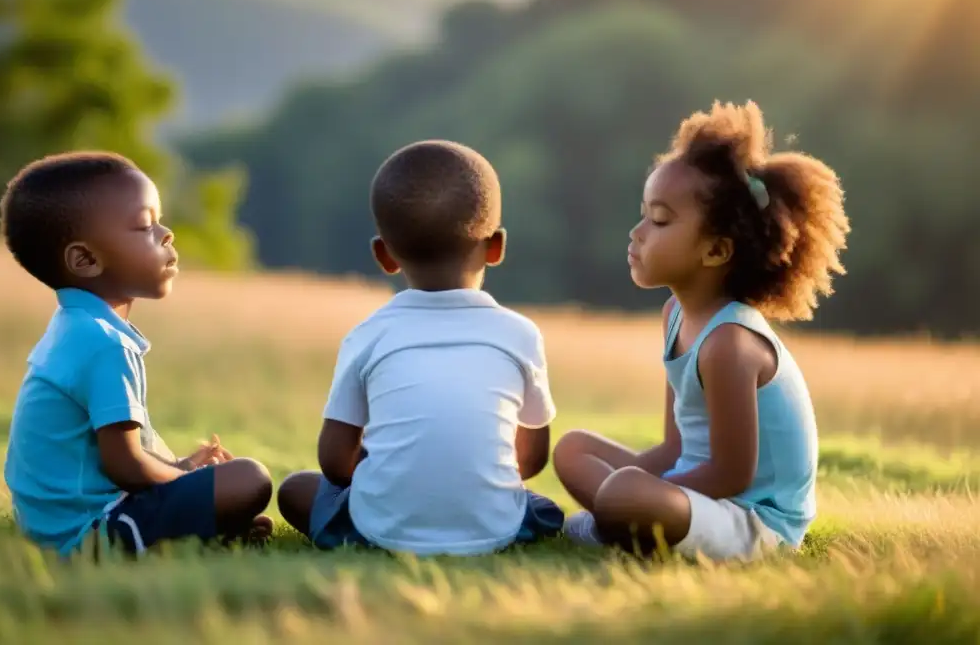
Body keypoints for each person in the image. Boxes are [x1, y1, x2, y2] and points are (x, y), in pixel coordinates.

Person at [554, 101, 850, 562]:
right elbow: (677, 446)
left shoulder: (729, 344)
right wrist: (631, 486)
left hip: (751, 521)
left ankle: (622, 520)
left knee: (625, 490)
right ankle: (625, 519)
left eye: (660, 220)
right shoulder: (676, 313)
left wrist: (637, 490)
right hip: (697, 494)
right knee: (573, 450)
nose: (636, 233)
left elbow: (732, 475)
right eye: (643, 215)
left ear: (715, 251)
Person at [276, 140, 564, 555]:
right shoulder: (520, 333)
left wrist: (392, 477)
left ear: (384, 255)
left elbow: (334, 462)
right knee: (543, 509)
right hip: (493, 529)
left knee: (296, 489)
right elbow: (531, 460)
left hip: (380, 528)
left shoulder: (368, 335)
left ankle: (383, 521)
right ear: (496, 246)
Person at [1, 152, 274, 557]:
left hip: (54, 526)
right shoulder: (104, 344)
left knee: (223, 484)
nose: (166, 234)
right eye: (145, 226)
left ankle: (203, 530)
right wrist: (184, 482)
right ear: (86, 260)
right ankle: (187, 533)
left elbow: (111, 456)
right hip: (88, 533)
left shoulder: (73, 327)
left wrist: (181, 469)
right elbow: (124, 466)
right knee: (250, 478)